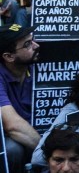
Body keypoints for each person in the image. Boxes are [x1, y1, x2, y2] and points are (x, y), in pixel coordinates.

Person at [0, 24, 42, 172]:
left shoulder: (37, 66)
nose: (36, 46)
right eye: (28, 44)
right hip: (9, 136)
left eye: (33, 40)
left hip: (38, 129)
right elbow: (12, 126)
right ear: (9, 56)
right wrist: (52, 149)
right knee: (13, 150)